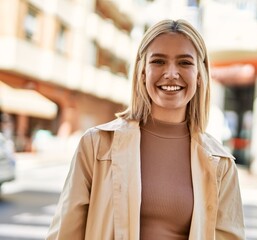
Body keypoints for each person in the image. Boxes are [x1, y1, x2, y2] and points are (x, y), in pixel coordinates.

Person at [47, 19, 245, 240]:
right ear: (142, 72)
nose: (171, 73)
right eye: (158, 61)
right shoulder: (97, 145)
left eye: (185, 63)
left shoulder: (221, 164)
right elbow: (65, 233)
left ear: (199, 75)